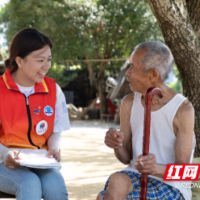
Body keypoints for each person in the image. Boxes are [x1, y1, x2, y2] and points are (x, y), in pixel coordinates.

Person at [97, 41, 195, 200]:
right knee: (116, 181)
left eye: (132, 67)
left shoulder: (183, 110)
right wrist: (117, 144)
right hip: (135, 176)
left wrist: (155, 168)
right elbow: (125, 158)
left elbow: (185, 173)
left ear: (153, 75)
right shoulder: (128, 103)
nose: (128, 73)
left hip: (170, 185)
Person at [0, 28, 70, 200]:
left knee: (55, 186)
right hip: (3, 161)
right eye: (40, 60)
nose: (47, 66)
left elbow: (56, 129)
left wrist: (53, 147)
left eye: (49, 59)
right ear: (20, 61)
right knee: (29, 183)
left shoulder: (54, 90)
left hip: (42, 161)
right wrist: (4, 154)